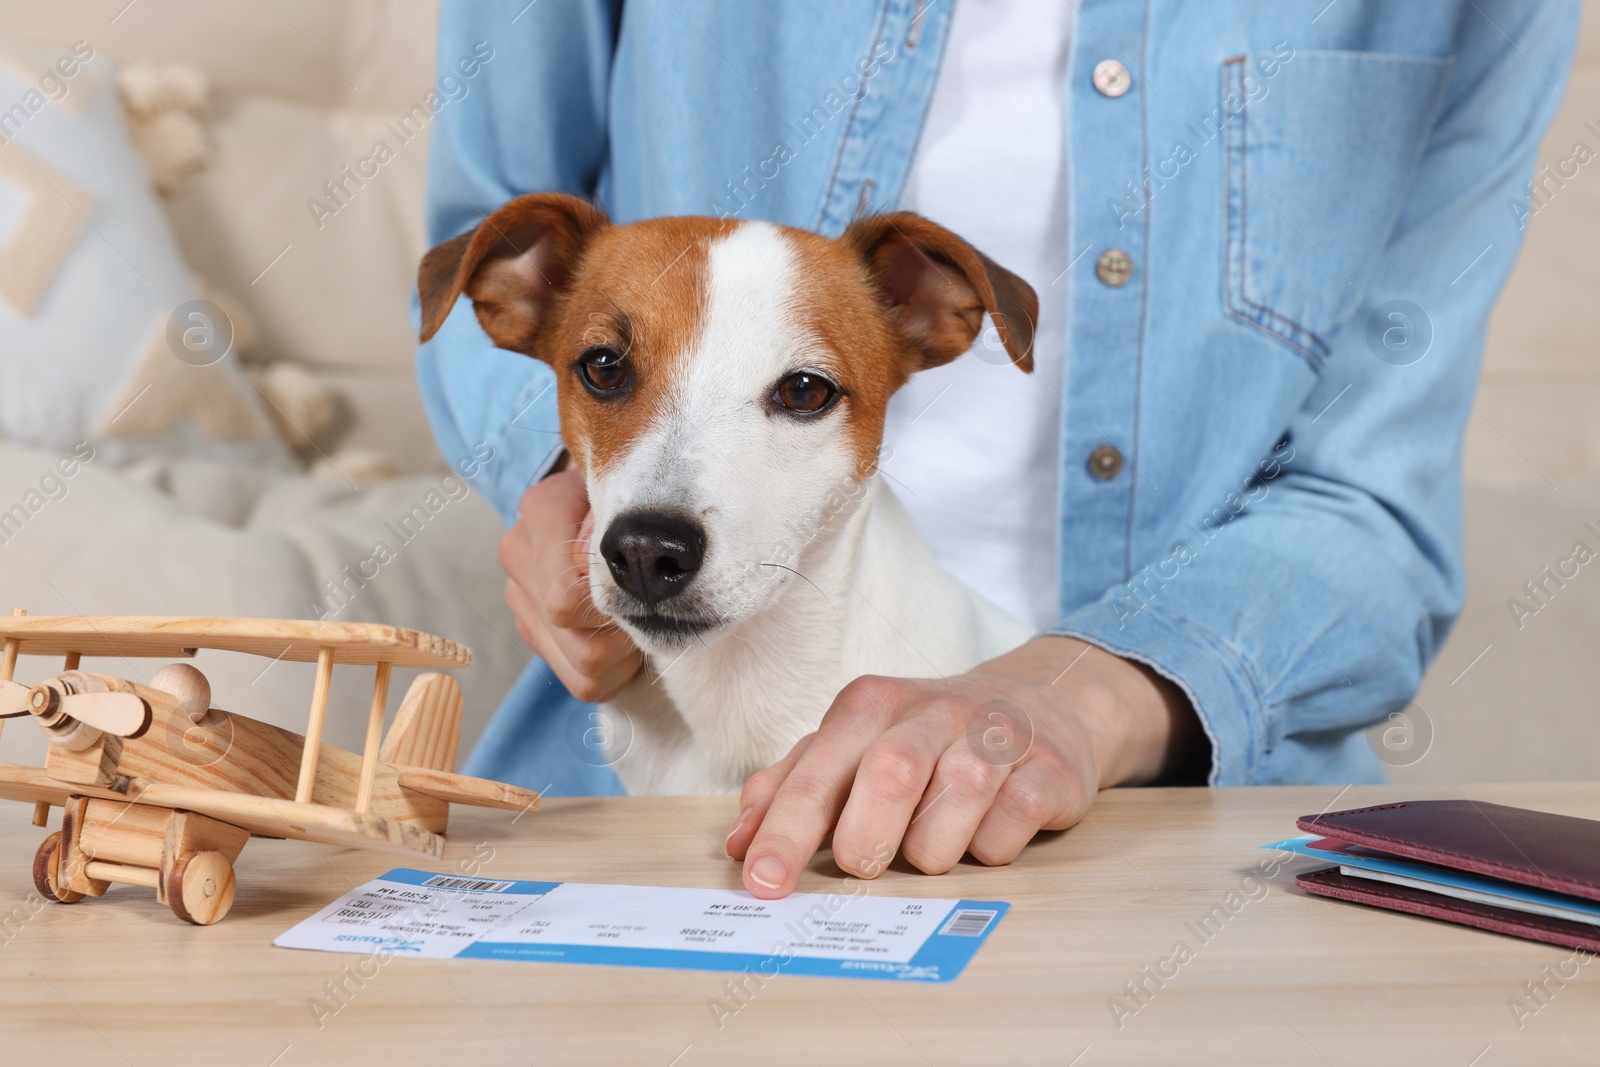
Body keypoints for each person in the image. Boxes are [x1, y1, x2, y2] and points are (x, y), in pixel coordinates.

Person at [417, 0, 1578, 899]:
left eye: (802, 390)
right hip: (599, 797)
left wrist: (1078, 697)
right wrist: (561, 475)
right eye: (612, 371)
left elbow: (1373, 510)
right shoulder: (540, 300)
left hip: (1163, 839)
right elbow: (478, 229)